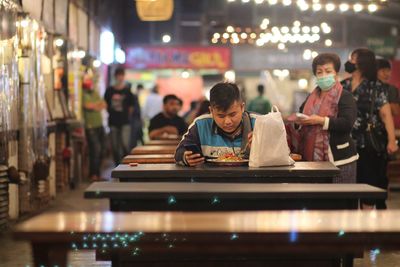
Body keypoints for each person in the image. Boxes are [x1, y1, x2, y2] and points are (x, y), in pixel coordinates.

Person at [341, 48, 399, 209]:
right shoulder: (342, 86)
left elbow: (386, 115)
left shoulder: (376, 87)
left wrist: (392, 141)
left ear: (361, 63)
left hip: (368, 144)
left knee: (368, 184)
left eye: (353, 59)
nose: (349, 62)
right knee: (347, 187)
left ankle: (366, 227)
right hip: (344, 145)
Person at [294, 53, 358, 183]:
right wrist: (298, 121)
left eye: (328, 71)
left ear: (336, 73)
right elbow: (300, 115)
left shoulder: (345, 96)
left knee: (340, 200)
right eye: (319, 72)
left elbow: (347, 123)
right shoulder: (311, 97)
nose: (323, 75)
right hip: (312, 161)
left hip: (340, 160)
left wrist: (320, 120)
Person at [175, 82, 257, 166]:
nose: (227, 121)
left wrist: (262, 147)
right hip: (210, 178)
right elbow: (179, 152)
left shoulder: (258, 123)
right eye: (221, 116)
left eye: (232, 114)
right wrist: (186, 157)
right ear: (211, 111)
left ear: (242, 107)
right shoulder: (201, 125)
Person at [104, 67, 135, 165]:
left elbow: (131, 107)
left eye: (122, 76)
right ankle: (117, 165)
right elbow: (105, 104)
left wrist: (126, 116)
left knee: (125, 144)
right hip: (113, 121)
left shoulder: (127, 91)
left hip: (125, 122)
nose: (120, 78)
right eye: (118, 76)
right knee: (115, 146)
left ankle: (126, 164)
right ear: (115, 77)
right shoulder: (109, 90)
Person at [82, 71, 106, 181]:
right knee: (95, 150)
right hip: (90, 126)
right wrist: (96, 105)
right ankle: (93, 175)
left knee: (101, 150)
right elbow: (87, 105)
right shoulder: (83, 93)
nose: (89, 82)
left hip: (99, 125)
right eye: (87, 79)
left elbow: (104, 104)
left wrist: (94, 106)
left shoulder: (94, 92)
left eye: (89, 80)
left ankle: (97, 173)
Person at [130, 84, 144, 149]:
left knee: (135, 137)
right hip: (135, 121)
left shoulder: (135, 96)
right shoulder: (135, 97)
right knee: (135, 137)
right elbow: (137, 111)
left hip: (135, 120)